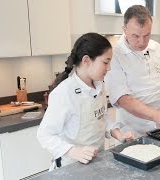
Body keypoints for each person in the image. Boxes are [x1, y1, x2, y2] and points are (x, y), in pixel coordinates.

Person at [37, 33, 134, 169]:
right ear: (86, 60)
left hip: (97, 162)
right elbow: (45, 135)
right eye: (105, 62)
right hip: (70, 167)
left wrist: (118, 134)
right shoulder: (64, 93)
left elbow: (102, 117)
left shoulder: (100, 86)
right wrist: (73, 151)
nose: (109, 68)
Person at [105, 5, 160, 138]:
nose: (142, 42)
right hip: (131, 131)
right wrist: (158, 116)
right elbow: (122, 99)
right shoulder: (114, 55)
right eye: (135, 36)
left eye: (146, 35)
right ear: (124, 30)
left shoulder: (158, 49)